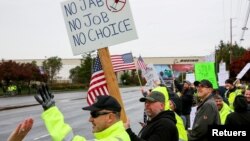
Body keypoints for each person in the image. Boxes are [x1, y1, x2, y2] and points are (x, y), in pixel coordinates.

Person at [34, 84, 130, 141]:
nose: (90, 119)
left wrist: (51, 111)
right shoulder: (118, 136)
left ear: (110, 117)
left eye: (94, 114)